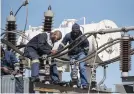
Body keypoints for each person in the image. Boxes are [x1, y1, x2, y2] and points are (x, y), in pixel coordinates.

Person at [58, 23, 89, 89]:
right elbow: (63, 44)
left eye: (76, 32)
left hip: (81, 54)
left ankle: (84, 84)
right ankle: (75, 82)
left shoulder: (83, 37)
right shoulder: (68, 36)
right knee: (73, 69)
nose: (75, 33)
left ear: (79, 31)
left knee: (82, 67)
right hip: (72, 55)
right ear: (72, 30)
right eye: (74, 31)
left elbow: (87, 45)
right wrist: (58, 51)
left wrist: (85, 54)